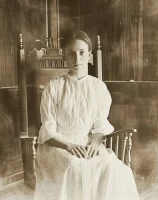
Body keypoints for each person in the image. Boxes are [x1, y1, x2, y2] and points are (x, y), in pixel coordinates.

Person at [34, 31, 140, 200]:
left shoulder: (98, 87)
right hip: (58, 145)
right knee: (74, 168)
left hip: (88, 143)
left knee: (112, 167)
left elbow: (100, 124)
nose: (77, 58)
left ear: (89, 55)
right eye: (71, 53)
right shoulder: (53, 87)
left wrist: (94, 144)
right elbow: (48, 130)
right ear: (64, 57)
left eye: (82, 52)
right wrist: (68, 146)